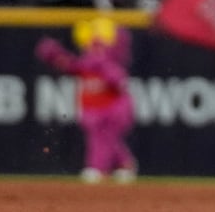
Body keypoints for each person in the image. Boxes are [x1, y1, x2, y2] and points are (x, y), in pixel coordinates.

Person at [36, 18, 138, 183]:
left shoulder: (110, 65)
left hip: (112, 109)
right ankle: (125, 165)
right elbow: (69, 65)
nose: (95, 49)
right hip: (94, 109)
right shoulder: (85, 65)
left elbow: (120, 81)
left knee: (102, 139)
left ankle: (97, 168)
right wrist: (55, 55)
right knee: (107, 139)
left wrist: (105, 67)